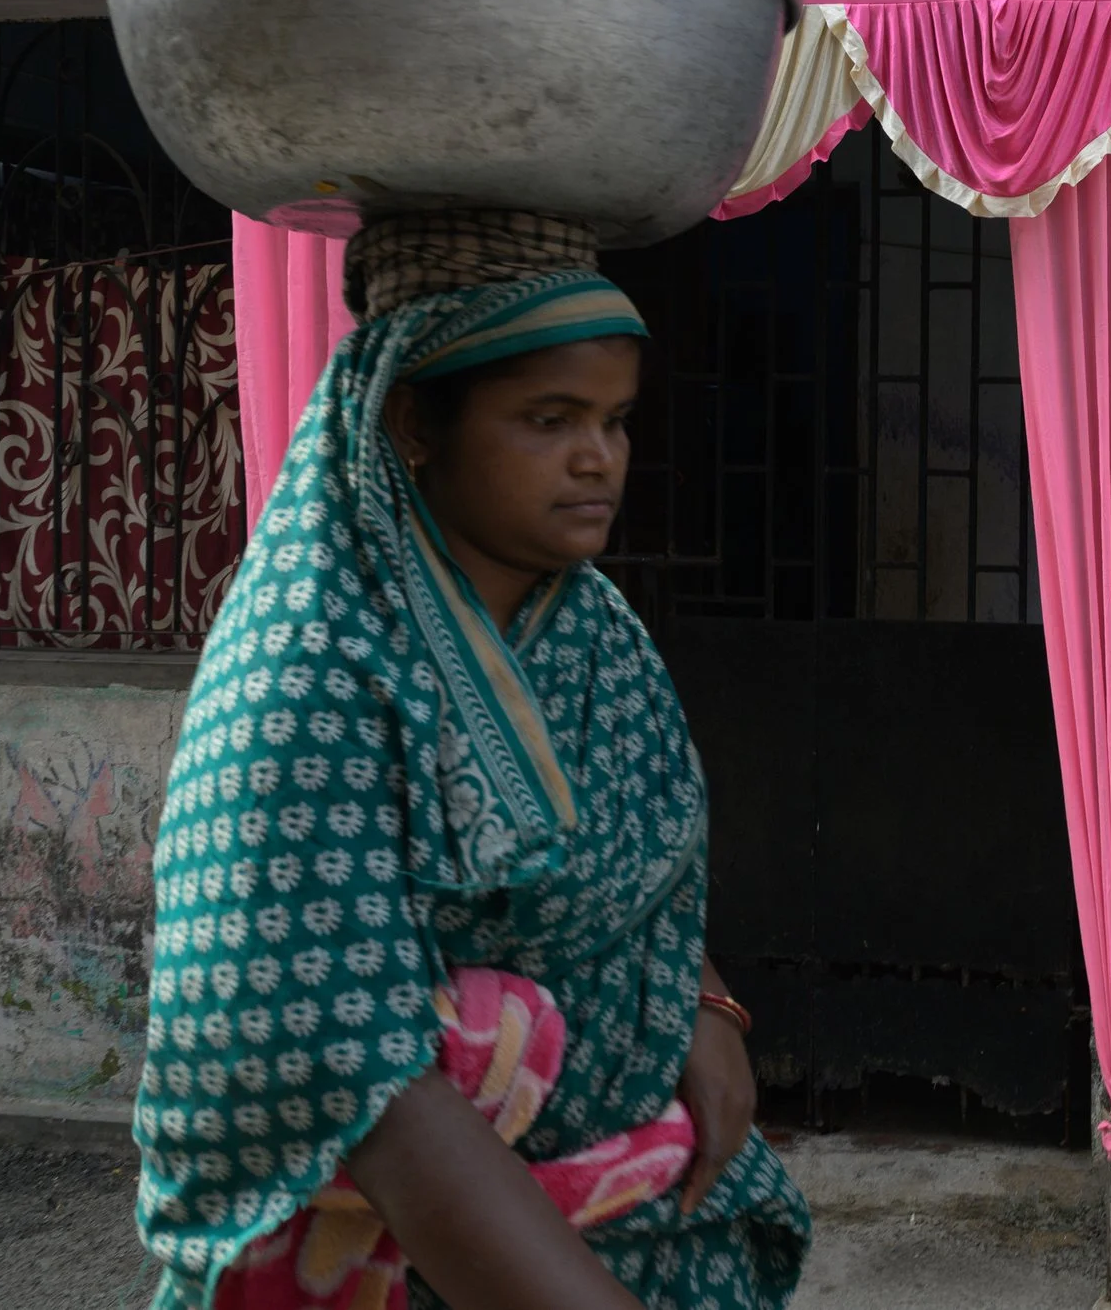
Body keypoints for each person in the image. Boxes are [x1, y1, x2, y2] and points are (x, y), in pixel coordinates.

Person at [134, 212, 809, 1310]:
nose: (600, 456)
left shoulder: (598, 630)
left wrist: (703, 999)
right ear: (413, 420)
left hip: (652, 1224)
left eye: (615, 418)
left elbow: (641, 877)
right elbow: (359, 1079)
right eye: (550, 419)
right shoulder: (306, 672)